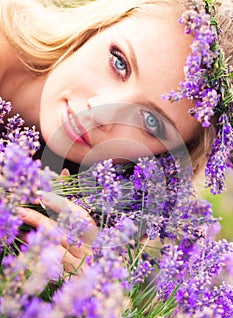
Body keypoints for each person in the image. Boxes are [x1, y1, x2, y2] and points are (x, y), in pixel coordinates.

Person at [0, 0, 232, 272]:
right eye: (119, 62)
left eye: (149, 122)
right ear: (100, 25)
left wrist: (84, 287)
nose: (99, 112)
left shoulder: (98, 219)